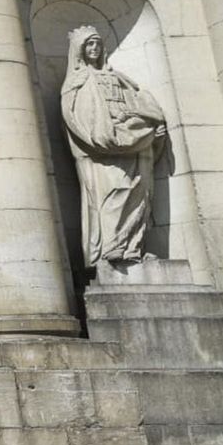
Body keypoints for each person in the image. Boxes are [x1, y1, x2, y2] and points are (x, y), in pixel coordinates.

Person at [60, 25, 169, 267]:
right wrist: (105, 134)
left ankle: (132, 249)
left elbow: (138, 103)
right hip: (103, 152)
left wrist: (150, 130)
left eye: (97, 43)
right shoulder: (76, 82)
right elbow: (78, 120)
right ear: (79, 49)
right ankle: (111, 249)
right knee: (112, 197)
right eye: (89, 44)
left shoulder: (119, 78)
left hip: (133, 143)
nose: (94, 48)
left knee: (137, 195)